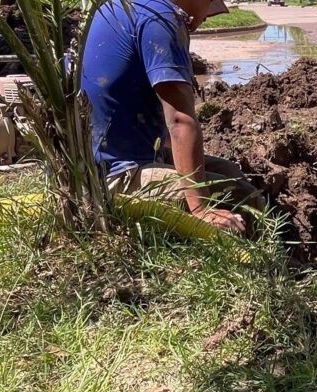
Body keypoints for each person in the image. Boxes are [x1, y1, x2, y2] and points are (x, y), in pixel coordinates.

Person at [81, 0, 259, 233]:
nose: (206, 17)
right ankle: (256, 262)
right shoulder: (161, 18)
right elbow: (180, 121)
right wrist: (201, 209)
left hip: (102, 160)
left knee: (230, 171)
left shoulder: (127, 7)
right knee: (244, 196)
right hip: (112, 177)